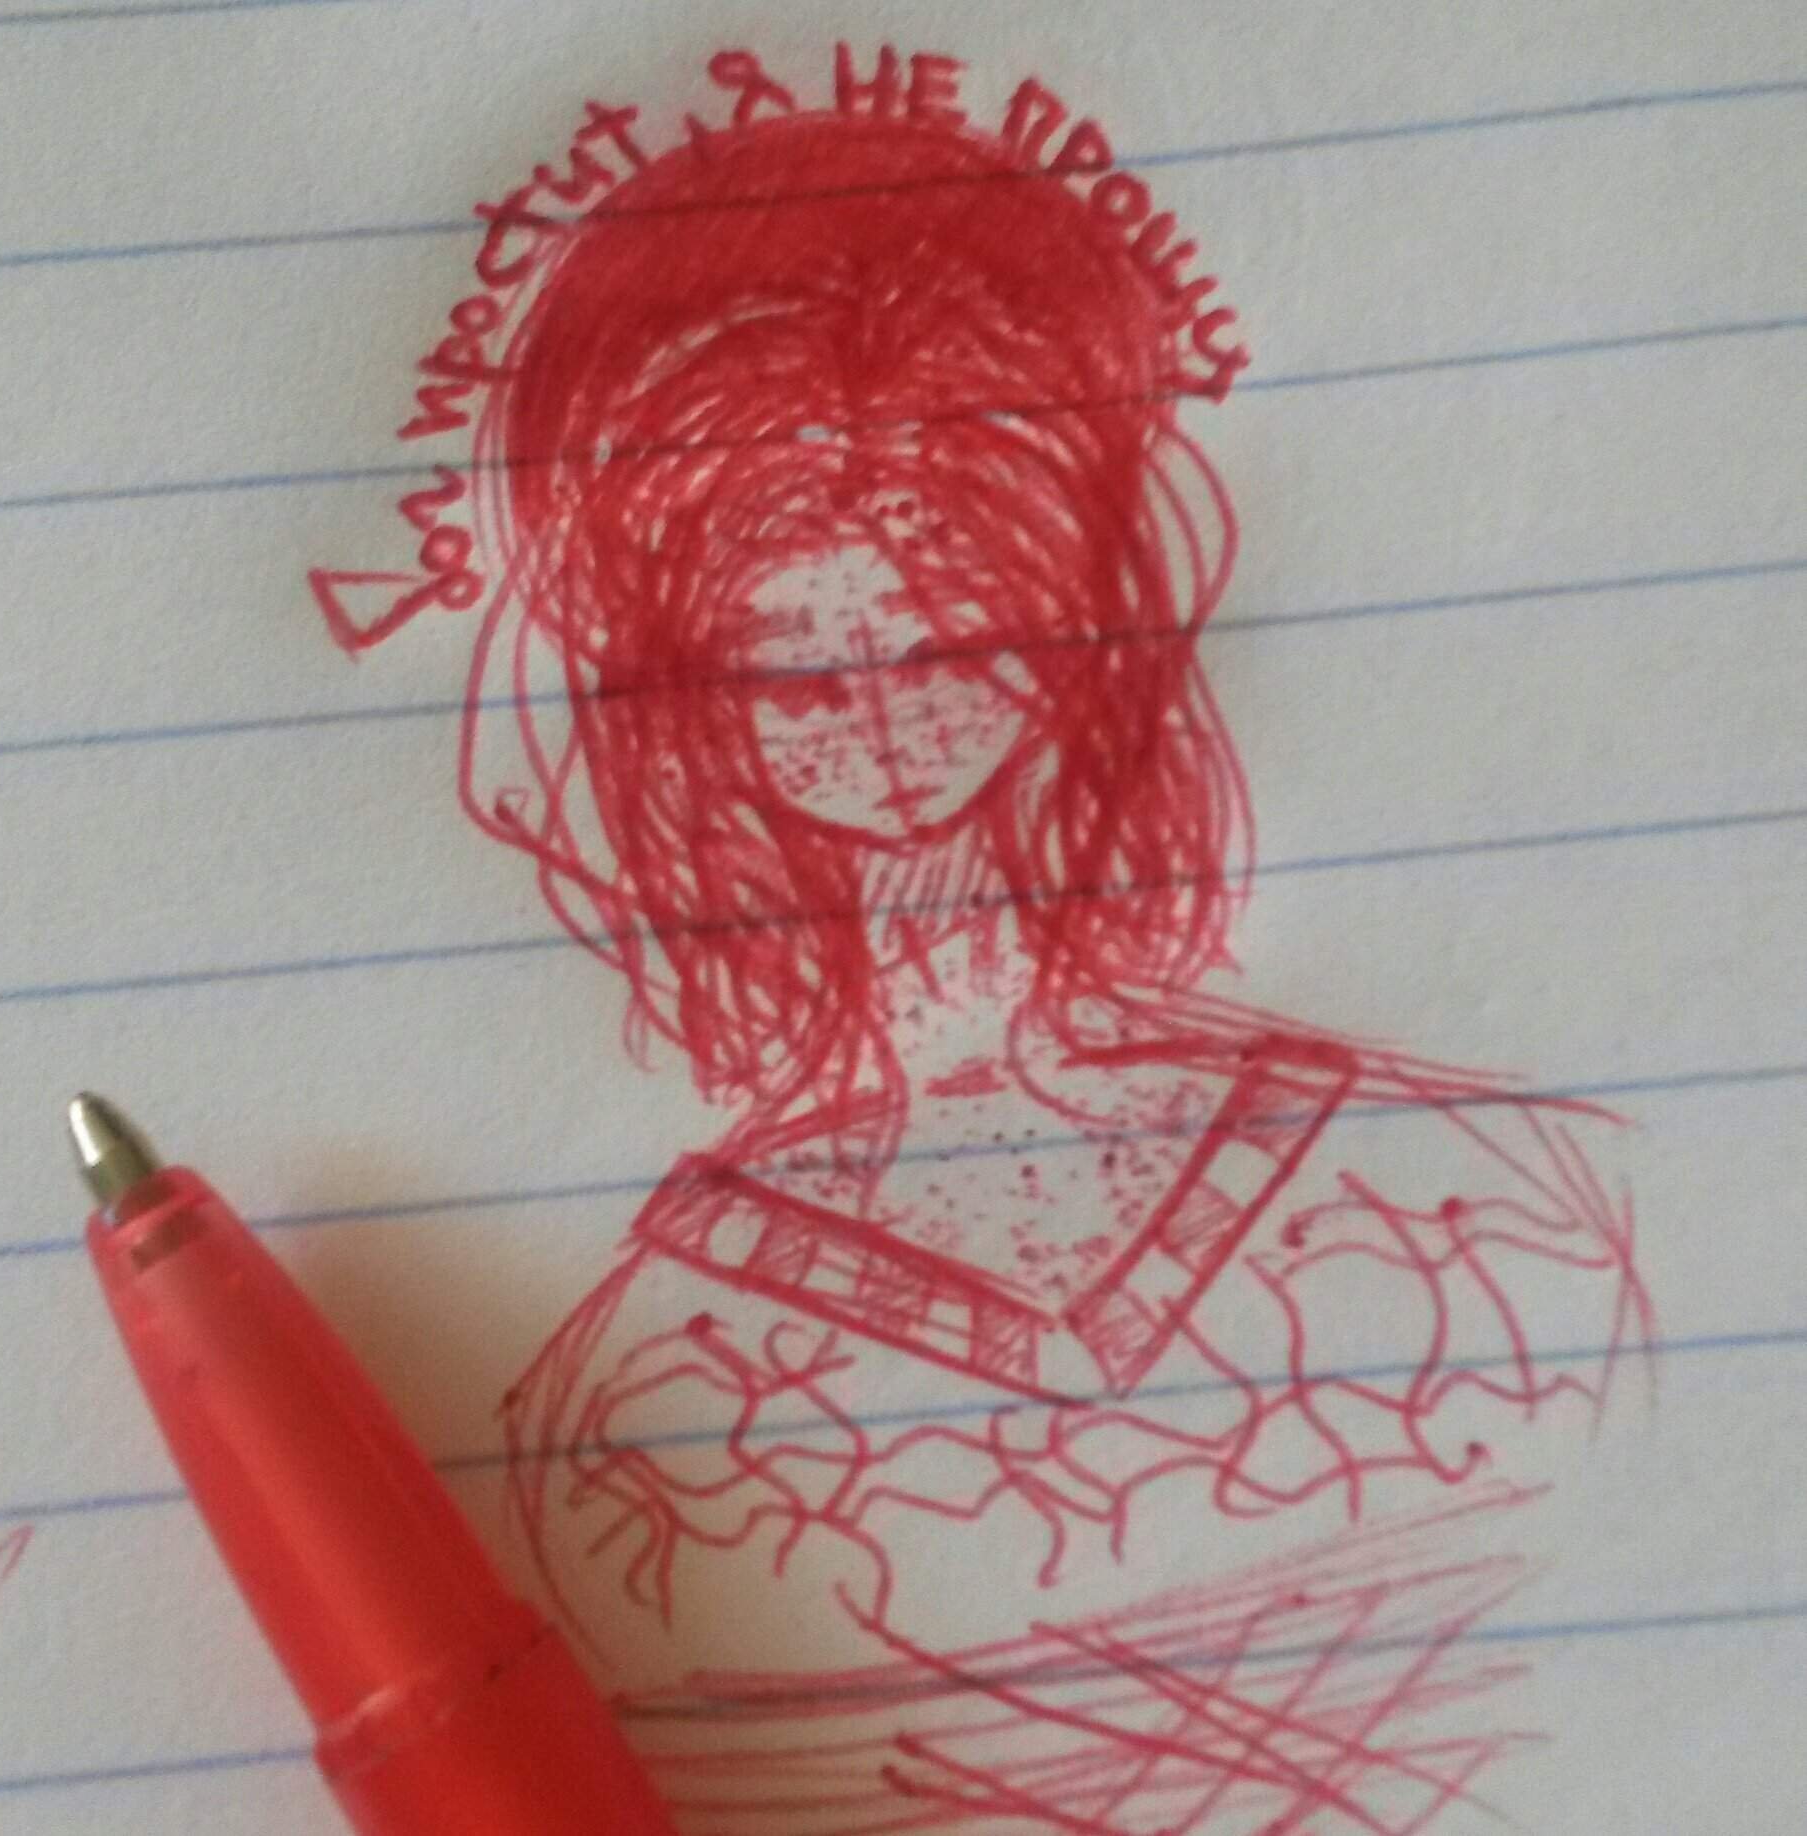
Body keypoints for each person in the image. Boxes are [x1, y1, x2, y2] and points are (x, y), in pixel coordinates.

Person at [316, 66, 1649, 1831]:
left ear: (1067, 615)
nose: (881, 724)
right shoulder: (650, 1378)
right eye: (792, 674)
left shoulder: (1472, 1182)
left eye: (946, 639)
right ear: (689, 709)